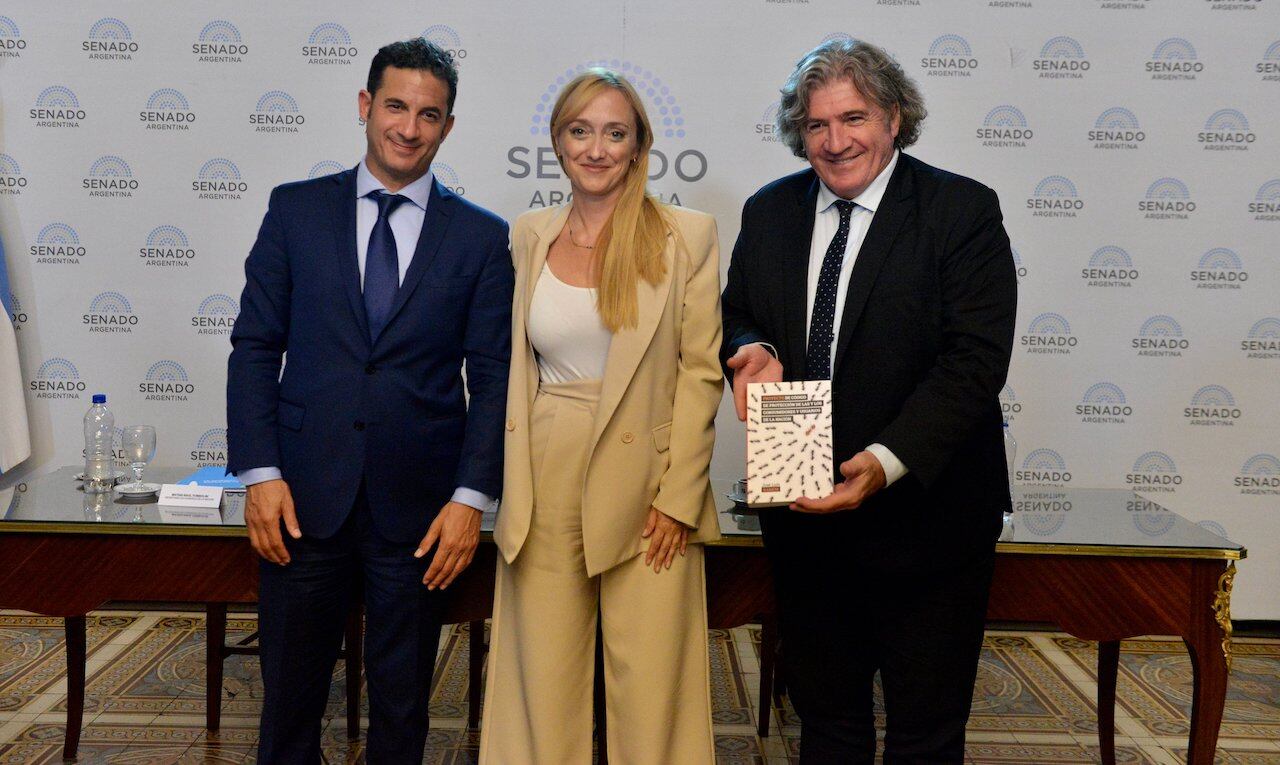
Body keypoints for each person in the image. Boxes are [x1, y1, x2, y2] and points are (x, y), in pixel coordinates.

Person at [720, 39, 1017, 763]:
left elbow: (974, 362)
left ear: (893, 117)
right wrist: (749, 347)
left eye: (853, 118)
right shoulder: (769, 211)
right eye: (817, 125)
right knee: (826, 727)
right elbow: (738, 310)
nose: (835, 140)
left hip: (930, 519)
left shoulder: (961, 210)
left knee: (926, 732)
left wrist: (884, 463)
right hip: (803, 519)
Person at [226, 38, 512, 764]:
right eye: (395, 106)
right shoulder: (294, 211)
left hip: (418, 511)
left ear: (447, 126)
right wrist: (259, 475)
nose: (408, 128)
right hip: (299, 500)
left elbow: (495, 375)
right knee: (288, 702)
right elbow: (256, 346)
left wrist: (470, 497)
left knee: (403, 704)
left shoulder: (481, 237)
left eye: (428, 114)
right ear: (365, 106)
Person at [479, 68, 723, 764]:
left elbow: (701, 373)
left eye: (615, 133)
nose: (597, 148)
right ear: (557, 141)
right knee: (541, 681)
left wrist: (679, 497)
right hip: (545, 475)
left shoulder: (688, 236)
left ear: (640, 143)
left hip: (650, 486)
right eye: (580, 131)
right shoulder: (529, 233)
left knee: (652, 690)